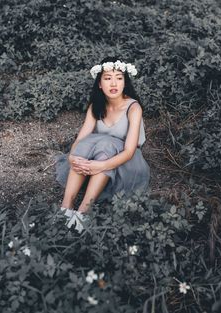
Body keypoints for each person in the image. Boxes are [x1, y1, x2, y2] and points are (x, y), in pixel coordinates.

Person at [54, 56, 150, 233]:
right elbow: (80, 138)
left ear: (125, 83)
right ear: (100, 84)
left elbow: (129, 151)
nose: (114, 83)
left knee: (106, 144)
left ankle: (84, 210)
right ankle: (66, 206)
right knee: (86, 144)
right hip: (98, 159)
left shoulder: (133, 108)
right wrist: (72, 157)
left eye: (119, 78)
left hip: (126, 163)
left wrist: (102, 165)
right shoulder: (95, 106)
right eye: (107, 78)